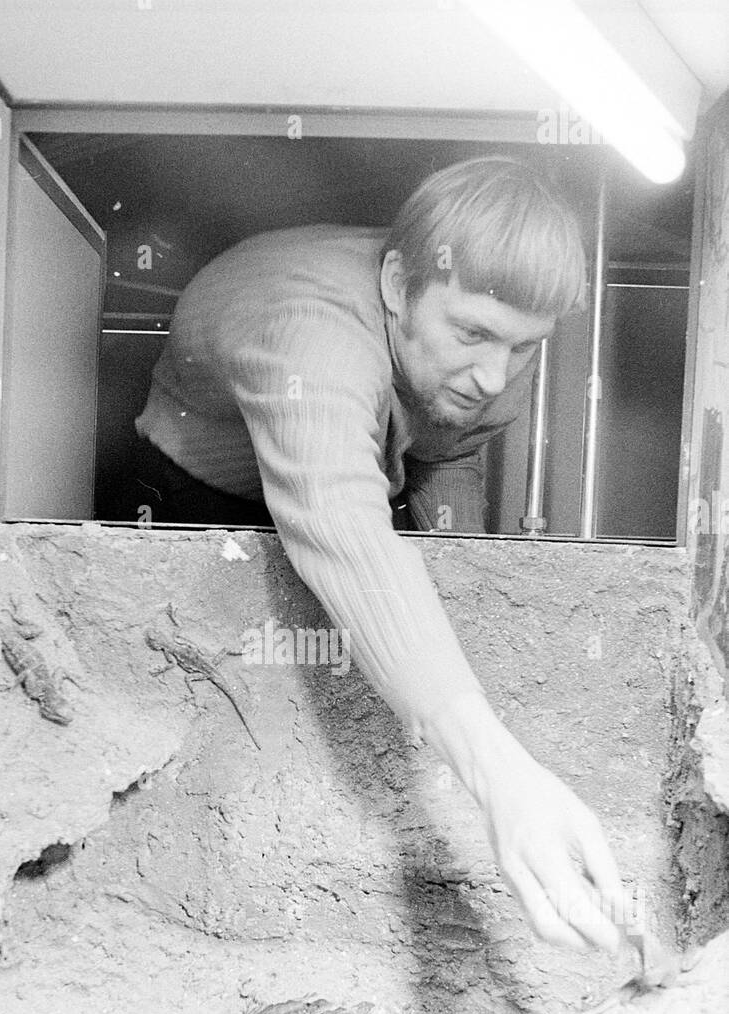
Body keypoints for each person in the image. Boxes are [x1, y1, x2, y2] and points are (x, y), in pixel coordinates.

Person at [134, 155, 631, 953]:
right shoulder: (312, 335)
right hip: (198, 474)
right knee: (234, 663)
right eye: (472, 334)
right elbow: (341, 522)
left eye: (524, 348)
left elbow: (450, 444)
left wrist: (456, 577)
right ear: (399, 287)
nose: (496, 375)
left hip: (369, 452)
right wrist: (500, 774)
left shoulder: (489, 347)